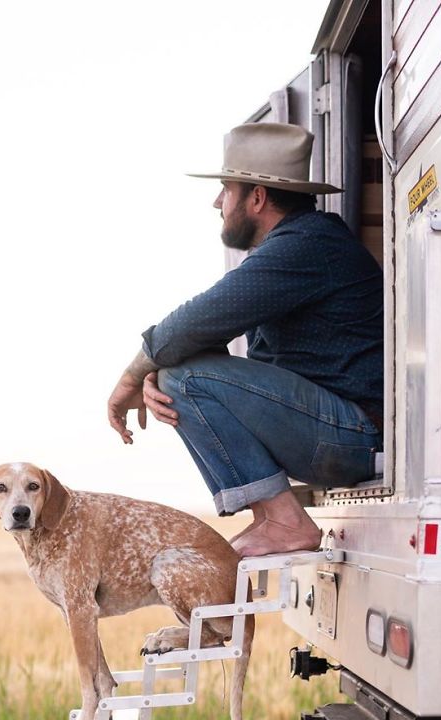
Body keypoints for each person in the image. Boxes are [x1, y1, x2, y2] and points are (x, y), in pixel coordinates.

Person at [106, 122, 383, 557]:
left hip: (353, 435)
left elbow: (191, 324)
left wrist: (132, 377)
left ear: (256, 197)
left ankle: (284, 522)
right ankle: (272, 519)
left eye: (226, 190)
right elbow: (200, 337)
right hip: (339, 432)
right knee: (176, 368)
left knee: (184, 375)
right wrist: (156, 371)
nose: (217, 202)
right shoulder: (300, 245)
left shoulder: (306, 244)